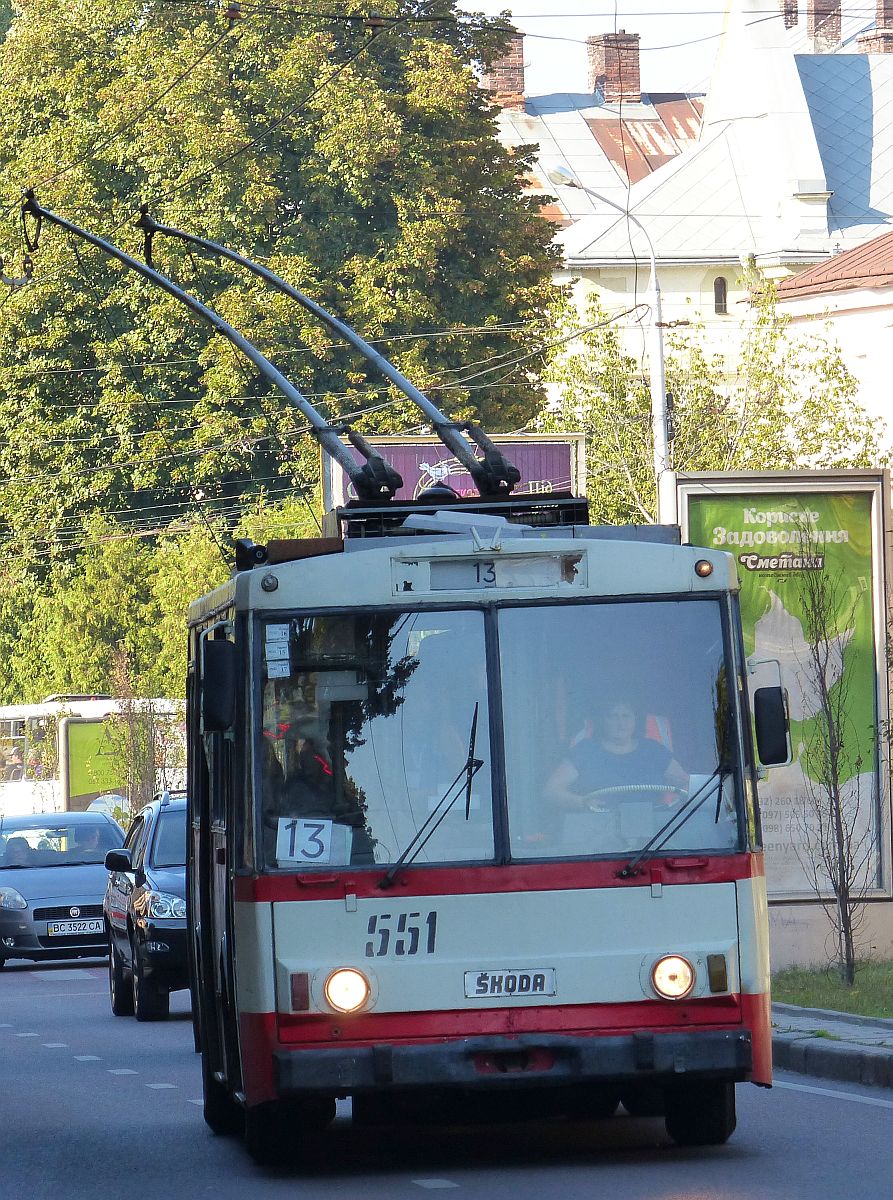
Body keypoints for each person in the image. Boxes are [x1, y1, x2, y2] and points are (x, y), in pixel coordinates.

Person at [545, 697, 689, 813]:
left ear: (635, 720)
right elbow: (551, 791)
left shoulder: (653, 751)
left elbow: (687, 786)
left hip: (654, 836)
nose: (620, 723)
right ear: (602, 721)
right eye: (613, 716)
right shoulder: (585, 751)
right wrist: (581, 803)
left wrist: (676, 809)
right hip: (595, 836)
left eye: (626, 716)